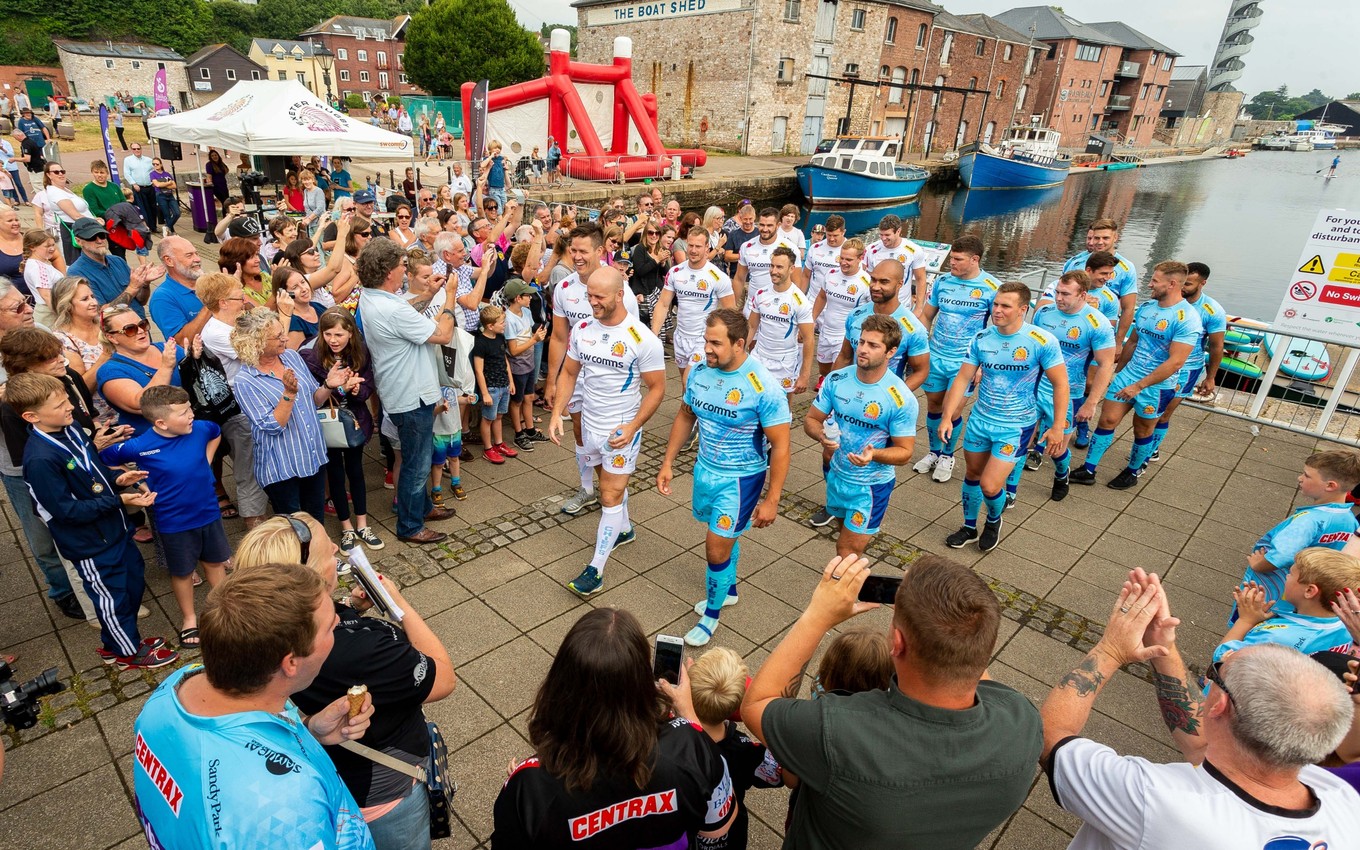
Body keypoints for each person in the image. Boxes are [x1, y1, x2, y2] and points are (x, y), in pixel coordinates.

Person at [1041, 569, 1360, 848]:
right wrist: (1163, 647)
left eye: (1216, 673)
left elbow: (1049, 737)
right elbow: (1204, 747)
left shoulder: (1157, 801)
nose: (1212, 673)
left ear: (1219, 704)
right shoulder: (1342, 804)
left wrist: (1111, 648)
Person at [742, 553, 1042, 848]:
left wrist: (817, 616)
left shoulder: (837, 731)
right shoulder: (1022, 722)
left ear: (897, 644)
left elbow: (757, 704)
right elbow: (967, 654)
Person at [133, 562, 378, 849]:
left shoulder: (173, 689)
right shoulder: (284, 806)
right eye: (329, 628)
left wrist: (310, 732)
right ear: (290, 662)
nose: (338, 624)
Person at [494, 607, 738, 848]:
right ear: (642, 680)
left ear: (561, 685)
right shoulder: (692, 747)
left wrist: (532, 781)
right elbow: (716, 833)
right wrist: (688, 716)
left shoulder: (529, 786)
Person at [12, 371, 177, 669]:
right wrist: (119, 500)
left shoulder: (70, 428)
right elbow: (67, 512)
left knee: (131, 582)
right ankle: (127, 653)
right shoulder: (40, 460)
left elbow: (95, 472)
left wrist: (118, 478)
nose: (70, 408)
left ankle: (119, 642)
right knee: (111, 598)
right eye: (60, 404)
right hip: (89, 543)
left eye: (67, 400)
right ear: (31, 416)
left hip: (113, 528)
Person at [658, 308, 790, 645]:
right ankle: (728, 589)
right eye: (706, 341)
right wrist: (667, 462)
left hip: (741, 480)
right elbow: (686, 416)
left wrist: (772, 499)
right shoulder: (700, 372)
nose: (707, 349)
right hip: (705, 471)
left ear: (739, 344)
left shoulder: (763, 387)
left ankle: (711, 616)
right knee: (722, 537)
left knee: (715, 549)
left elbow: (781, 446)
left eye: (715, 343)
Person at [549, 268, 665, 597]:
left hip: (620, 430)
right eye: (589, 296)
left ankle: (596, 569)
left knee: (609, 495)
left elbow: (657, 389)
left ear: (619, 295)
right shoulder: (583, 329)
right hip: (590, 424)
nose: (592, 302)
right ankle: (624, 529)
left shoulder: (643, 339)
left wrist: (632, 427)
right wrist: (558, 412)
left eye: (599, 297)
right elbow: (569, 372)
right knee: (605, 486)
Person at [98, 385, 227, 649]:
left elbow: (216, 431)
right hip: (173, 521)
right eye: (183, 412)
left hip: (209, 513)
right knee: (182, 572)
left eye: (190, 408)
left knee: (215, 564)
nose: (191, 414)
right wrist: (136, 484)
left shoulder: (200, 429)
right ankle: (190, 619)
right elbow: (106, 458)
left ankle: (223, 611)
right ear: (161, 422)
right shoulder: (140, 445)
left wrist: (207, 458)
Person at [941, 281, 1067, 551]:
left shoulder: (1041, 341)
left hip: (1015, 425)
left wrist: (1057, 425)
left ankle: (994, 520)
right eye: (996, 304)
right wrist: (947, 416)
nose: (997, 310)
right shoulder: (982, 339)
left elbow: (1060, 384)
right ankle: (969, 527)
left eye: (1005, 306)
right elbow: (963, 378)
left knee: (989, 485)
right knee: (973, 475)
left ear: (1023, 309)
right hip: (980, 420)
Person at [357, 237, 459, 543]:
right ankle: (411, 526)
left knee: (418, 458)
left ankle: (423, 507)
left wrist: (430, 292)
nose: (405, 271)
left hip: (403, 391)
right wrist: (449, 298)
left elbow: (407, 308)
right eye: (402, 266)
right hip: (411, 396)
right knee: (416, 464)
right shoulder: (390, 308)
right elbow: (442, 334)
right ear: (389, 271)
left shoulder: (374, 297)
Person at [0, 299, 95, 623]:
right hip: (27, 473)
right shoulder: (13, 401)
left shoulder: (62, 378)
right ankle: (64, 592)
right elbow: (31, 455)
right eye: (52, 358)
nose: (62, 360)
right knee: (43, 535)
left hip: (66, 463)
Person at [1071, 261, 1201, 490]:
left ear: (1171, 284)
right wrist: (1117, 372)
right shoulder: (1148, 308)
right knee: (1107, 420)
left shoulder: (1187, 318)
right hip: (1128, 376)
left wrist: (1139, 386)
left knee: (1143, 430)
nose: (1149, 284)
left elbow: (1176, 361)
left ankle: (1132, 471)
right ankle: (1088, 469)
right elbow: (1133, 341)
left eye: (1155, 281)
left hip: (1157, 386)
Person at [546, 223, 640, 516]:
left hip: (610, 377)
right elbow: (559, 337)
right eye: (572, 250)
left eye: (583, 251)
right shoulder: (564, 288)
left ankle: (612, 496)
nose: (576, 256)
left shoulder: (618, 290)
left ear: (600, 251)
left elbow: (635, 341)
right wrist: (551, 381)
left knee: (609, 439)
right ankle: (587, 489)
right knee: (579, 432)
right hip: (575, 374)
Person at [804, 314, 916, 555]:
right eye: (862, 342)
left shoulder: (900, 397)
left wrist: (873, 454)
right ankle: (854, 587)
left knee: (846, 549)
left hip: (869, 487)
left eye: (873, 345)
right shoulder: (837, 379)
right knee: (843, 539)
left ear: (891, 352)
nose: (862, 349)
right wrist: (822, 436)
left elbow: (905, 453)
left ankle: (844, 589)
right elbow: (811, 419)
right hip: (836, 474)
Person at [659, 646, 785, 850]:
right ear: (737, 707)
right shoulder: (743, 749)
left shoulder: (667, 735)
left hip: (685, 833)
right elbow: (776, 773)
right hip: (727, 838)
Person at [230, 307, 339, 520]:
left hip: (312, 456)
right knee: (294, 529)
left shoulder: (291, 357)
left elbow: (314, 401)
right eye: (278, 336)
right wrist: (288, 394)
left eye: (283, 333)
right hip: (283, 467)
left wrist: (328, 385)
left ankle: (316, 554)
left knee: (315, 521)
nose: (285, 339)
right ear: (257, 342)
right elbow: (272, 425)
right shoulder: (246, 380)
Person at [1017, 270, 1116, 503]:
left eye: (1065, 294)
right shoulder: (1043, 314)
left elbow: (1105, 364)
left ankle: (1062, 473)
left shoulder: (1097, 324)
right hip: (1034, 388)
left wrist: (1092, 402)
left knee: (1057, 447)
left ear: (1083, 294)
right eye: (1057, 292)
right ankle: (1010, 493)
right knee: (1021, 439)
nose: (1058, 298)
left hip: (1069, 393)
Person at [914, 236, 1001, 484]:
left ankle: (947, 455)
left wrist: (983, 364)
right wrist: (919, 348)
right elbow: (927, 316)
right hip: (937, 356)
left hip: (966, 362)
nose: (951, 262)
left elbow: (997, 329)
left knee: (953, 411)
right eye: (951, 257)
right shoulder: (942, 282)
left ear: (975, 260)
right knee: (933, 406)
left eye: (957, 259)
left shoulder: (992, 287)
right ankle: (933, 451)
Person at [1236, 449, 1360, 613]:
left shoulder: (1307, 521)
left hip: (1269, 591)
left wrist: (1258, 565)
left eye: (1307, 475)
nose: (1300, 478)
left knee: (1248, 623)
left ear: (1330, 485)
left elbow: (1281, 556)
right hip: (1305, 598)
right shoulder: (1350, 520)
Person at [1144, 261, 1226, 467]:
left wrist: (1210, 377)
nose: (1183, 288)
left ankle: (1149, 453)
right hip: (1158, 365)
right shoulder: (1163, 302)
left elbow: (1216, 347)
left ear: (1203, 283)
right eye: (1182, 283)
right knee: (1148, 412)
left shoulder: (1212, 310)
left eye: (1189, 284)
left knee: (1164, 413)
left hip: (1186, 369)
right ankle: (1143, 447)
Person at [1221, 547, 1360, 665]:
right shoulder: (1348, 626)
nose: (1286, 576)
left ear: (1309, 591)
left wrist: (1246, 620)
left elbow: (1222, 661)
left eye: (1291, 574)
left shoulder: (1276, 638)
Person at [651, 225, 737, 388]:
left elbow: (731, 313)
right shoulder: (676, 272)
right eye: (690, 245)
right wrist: (654, 334)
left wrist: (726, 344)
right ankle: (694, 413)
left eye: (698, 246)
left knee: (689, 382)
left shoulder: (718, 276)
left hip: (702, 340)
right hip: (681, 337)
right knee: (686, 388)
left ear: (707, 248)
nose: (693, 250)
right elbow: (663, 304)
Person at [97, 304, 182, 436]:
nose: (141, 331)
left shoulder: (165, 348)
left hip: (192, 429)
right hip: (154, 443)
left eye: (142, 324)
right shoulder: (110, 371)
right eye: (130, 329)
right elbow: (140, 404)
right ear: (112, 337)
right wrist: (166, 367)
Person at [1062, 218, 1139, 350]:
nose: (1100, 242)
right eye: (1096, 238)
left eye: (1105, 238)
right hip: (1069, 326)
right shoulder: (1076, 262)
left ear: (1115, 238)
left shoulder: (1127, 268)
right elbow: (1060, 292)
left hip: (1100, 330)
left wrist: (1118, 342)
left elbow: (1128, 308)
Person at [68, 217, 156, 318]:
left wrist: (145, 283)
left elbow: (141, 301)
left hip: (140, 324)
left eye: (102, 236)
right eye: (91, 237)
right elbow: (101, 313)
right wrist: (132, 288)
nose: (99, 241)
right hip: (117, 330)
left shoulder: (117, 261)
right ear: (78, 241)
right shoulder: (76, 272)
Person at [810, 239, 871, 380]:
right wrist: (812, 319)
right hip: (826, 331)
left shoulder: (866, 281)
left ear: (860, 259)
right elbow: (821, 297)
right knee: (824, 370)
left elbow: (874, 311)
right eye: (841, 258)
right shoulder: (831, 273)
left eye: (849, 259)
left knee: (835, 376)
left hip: (845, 336)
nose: (843, 262)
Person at [502, 279, 547, 451]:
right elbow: (513, 350)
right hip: (518, 367)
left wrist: (536, 336)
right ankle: (519, 433)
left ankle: (529, 429)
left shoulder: (526, 313)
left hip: (528, 364)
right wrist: (534, 340)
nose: (531, 298)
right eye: (527, 295)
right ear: (517, 298)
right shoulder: (509, 320)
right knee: (517, 401)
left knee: (529, 397)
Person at [471, 304, 518, 464]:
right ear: (490, 326)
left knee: (499, 416)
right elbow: (479, 370)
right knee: (488, 418)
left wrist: (510, 381)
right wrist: (484, 393)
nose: (504, 325)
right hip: (491, 388)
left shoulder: (499, 337)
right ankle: (488, 448)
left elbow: (504, 360)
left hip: (503, 385)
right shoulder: (481, 343)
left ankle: (498, 444)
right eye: (501, 322)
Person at [147, 235, 210, 345]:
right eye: (189, 255)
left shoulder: (209, 283)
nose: (197, 259)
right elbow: (182, 342)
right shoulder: (162, 298)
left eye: (197, 253)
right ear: (169, 261)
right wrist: (211, 303)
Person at [734, 207, 802, 304]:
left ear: (778, 225)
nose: (765, 229)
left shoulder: (791, 248)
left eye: (769, 225)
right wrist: (731, 307)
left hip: (778, 307)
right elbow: (739, 279)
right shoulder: (747, 246)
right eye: (762, 225)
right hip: (752, 305)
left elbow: (797, 282)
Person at [861, 214, 928, 306]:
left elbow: (920, 279)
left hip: (902, 306)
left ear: (898, 231)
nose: (883, 238)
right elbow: (867, 278)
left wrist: (919, 307)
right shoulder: (871, 249)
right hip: (876, 305)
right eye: (881, 234)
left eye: (887, 235)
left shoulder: (914, 250)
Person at [35, 162, 91, 262]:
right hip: (69, 231)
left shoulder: (65, 190)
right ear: (48, 175)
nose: (61, 174)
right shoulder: (53, 192)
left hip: (83, 230)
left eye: (62, 171)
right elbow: (75, 216)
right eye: (56, 172)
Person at [21, 229, 65, 326]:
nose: (52, 248)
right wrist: (62, 315)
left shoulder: (41, 263)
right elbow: (46, 295)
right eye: (47, 246)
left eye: (53, 245)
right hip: (49, 314)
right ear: (32, 247)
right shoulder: (38, 267)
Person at [802, 214, 846, 301]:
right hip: (812, 300)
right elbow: (806, 276)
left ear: (843, 232)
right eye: (829, 235)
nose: (831, 239)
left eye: (835, 235)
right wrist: (800, 298)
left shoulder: (850, 250)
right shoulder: (815, 248)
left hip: (836, 303)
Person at [122, 141, 158, 231]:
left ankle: (154, 226)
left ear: (141, 149)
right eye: (134, 149)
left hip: (149, 187)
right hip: (138, 187)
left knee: (153, 207)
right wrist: (133, 183)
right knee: (142, 208)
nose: (137, 150)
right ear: (132, 150)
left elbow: (155, 170)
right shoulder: (128, 160)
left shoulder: (148, 160)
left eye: (138, 148)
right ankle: (147, 226)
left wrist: (155, 181)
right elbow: (127, 173)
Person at [148, 157, 179, 234]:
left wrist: (164, 185)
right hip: (160, 195)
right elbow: (157, 185)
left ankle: (167, 226)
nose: (155, 165)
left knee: (177, 213)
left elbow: (174, 186)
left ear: (161, 164)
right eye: (153, 164)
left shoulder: (167, 174)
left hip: (169, 194)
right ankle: (172, 231)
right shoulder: (152, 174)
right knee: (166, 214)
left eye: (157, 164)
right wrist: (168, 183)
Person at [0, 131, 29, 204]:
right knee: (9, 185)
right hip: (3, 168)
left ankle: (26, 200)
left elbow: (11, 154)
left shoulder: (6, 143)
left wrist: (3, 149)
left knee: (18, 184)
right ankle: (16, 200)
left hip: (11, 166)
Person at [482, 140, 508, 211]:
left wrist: (505, 163)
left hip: (502, 188)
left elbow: (505, 160)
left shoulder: (501, 159)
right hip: (494, 188)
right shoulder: (488, 159)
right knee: (498, 209)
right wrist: (491, 156)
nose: (497, 149)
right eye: (495, 148)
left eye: (499, 148)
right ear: (490, 150)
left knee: (505, 207)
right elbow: (482, 165)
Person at [204, 149, 229, 215]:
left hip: (224, 185)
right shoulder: (209, 165)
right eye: (212, 156)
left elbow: (226, 170)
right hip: (216, 187)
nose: (214, 157)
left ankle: (226, 216)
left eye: (215, 155)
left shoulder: (221, 163)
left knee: (227, 202)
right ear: (210, 157)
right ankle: (225, 217)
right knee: (224, 202)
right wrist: (210, 182)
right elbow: (209, 176)